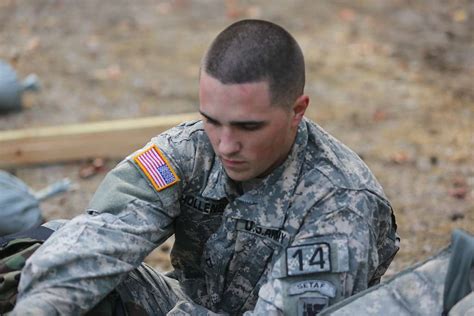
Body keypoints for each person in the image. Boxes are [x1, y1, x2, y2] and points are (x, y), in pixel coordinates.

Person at [11, 19, 399, 315]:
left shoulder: (342, 202)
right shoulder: (190, 149)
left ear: (297, 111)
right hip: (190, 304)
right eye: (212, 120)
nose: (226, 145)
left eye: (249, 126)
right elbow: (101, 235)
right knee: (46, 251)